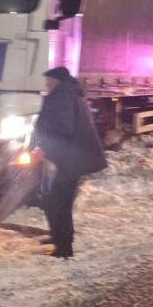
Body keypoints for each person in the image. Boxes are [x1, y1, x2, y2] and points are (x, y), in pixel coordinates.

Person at [32, 67, 107, 258]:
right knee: (55, 200)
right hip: (71, 158)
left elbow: (63, 129)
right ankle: (59, 237)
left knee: (59, 202)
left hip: (68, 160)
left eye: (49, 81)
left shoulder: (62, 97)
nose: (46, 85)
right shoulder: (71, 94)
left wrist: (43, 149)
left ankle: (64, 248)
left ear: (57, 81)